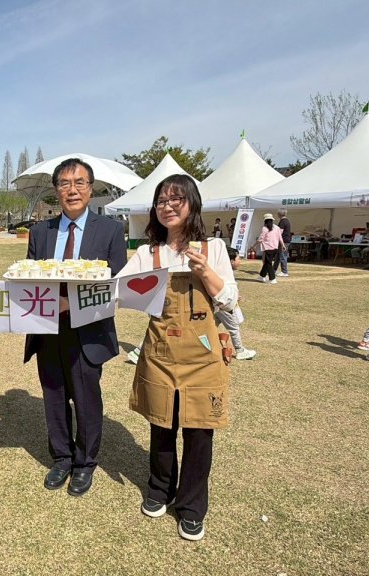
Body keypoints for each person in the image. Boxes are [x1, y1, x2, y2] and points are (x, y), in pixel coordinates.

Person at [120, 174, 236, 542]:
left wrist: (206, 272)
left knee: (200, 432)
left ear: (192, 204)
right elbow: (118, 291)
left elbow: (229, 298)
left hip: (203, 355)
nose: (168, 206)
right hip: (160, 353)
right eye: (161, 201)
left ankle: (192, 506)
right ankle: (159, 490)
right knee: (161, 424)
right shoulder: (147, 253)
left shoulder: (212, 247)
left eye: (176, 199)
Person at [24, 158, 128, 497]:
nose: (73, 189)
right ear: (56, 190)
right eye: (65, 183)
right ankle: (62, 458)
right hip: (47, 328)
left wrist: (73, 305)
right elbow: (29, 281)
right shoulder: (40, 232)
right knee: (53, 397)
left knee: (86, 399)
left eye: (80, 182)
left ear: (91, 188)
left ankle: (85, 463)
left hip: (89, 331)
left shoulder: (111, 231)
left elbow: (115, 286)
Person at [218, 247, 256, 360]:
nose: (240, 261)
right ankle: (240, 351)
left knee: (211, 325)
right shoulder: (224, 274)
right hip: (224, 306)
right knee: (234, 328)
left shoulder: (222, 271)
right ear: (231, 261)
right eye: (238, 258)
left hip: (219, 305)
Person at [257, 214, 283, 283]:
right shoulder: (277, 227)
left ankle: (272, 278)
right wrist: (283, 245)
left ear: (265, 221)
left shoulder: (265, 228)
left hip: (268, 248)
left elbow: (261, 239)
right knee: (266, 262)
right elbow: (280, 237)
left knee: (268, 263)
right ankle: (262, 276)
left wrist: (255, 243)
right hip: (275, 247)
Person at [277, 208, 292, 277]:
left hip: (284, 241)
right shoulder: (287, 220)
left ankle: (284, 272)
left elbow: (280, 232)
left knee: (283, 256)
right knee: (282, 256)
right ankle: (277, 270)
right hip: (287, 240)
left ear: (279, 214)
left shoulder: (282, 221)